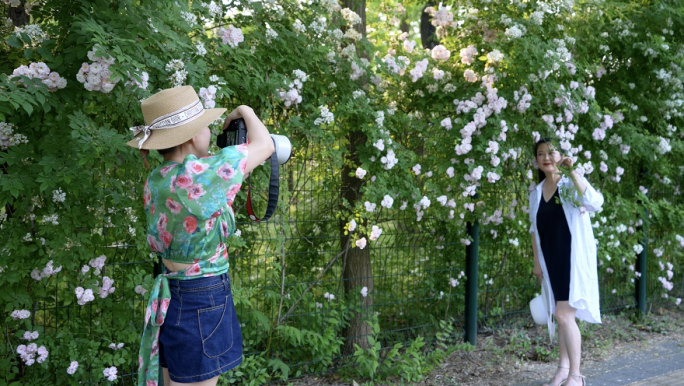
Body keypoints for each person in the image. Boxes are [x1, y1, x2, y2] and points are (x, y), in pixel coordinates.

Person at [126, 86, 274, 386]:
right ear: (193, 135)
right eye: (206, 126)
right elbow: (266, 145)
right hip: (202, 298)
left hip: (173, 297)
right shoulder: (195, 176)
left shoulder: (159, 177)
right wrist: (244, 110)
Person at [528, 138, 604, 386]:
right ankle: (563, 369)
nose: (546, 157)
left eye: (551, 152)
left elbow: (595, 202)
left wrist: (572, 171)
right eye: (540, 154)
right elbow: (533, 230)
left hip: (572, 260)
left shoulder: (570, 185)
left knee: (563, 316)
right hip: (551, 263)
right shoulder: (536, 192)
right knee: (561, 317)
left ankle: (576, 376)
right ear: (537, 161)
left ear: (560, 156)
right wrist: (537, 263)